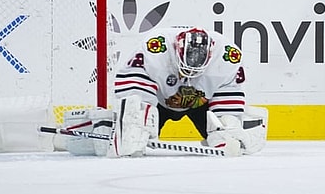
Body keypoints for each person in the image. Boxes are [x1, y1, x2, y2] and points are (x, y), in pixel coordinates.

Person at [107, 26, 266, 157]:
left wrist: (228, 124)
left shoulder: (227, 56)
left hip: (201, 107)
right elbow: (133, 83)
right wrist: (136, 120)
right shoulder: (155, 47)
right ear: (176, 49)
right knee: (133, 133)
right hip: (159, 102)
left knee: (227, 136)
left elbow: (230, 92)